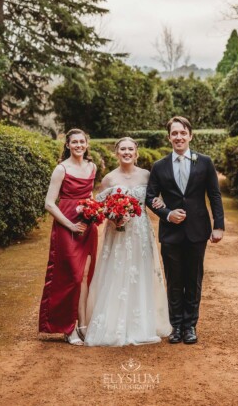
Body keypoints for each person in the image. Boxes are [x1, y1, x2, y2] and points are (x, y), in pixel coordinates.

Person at [84, 137, 171, 346]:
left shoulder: (147, 175)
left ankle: (143, 324)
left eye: (130, 149)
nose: (126, 152)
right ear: (117, 152)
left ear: (136, 152)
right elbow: (99, 208)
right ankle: (115, 325)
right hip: (118, 234)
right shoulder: (109, 179)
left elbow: (154, 199)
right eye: (122, 149)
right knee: (117, 272)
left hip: (140, 232)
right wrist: (112, 216)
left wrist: (161, 202)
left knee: (141, 272)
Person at [146, 116, 224, 345]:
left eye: (183, 133)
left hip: (197, 231)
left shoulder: (205, 162)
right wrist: (167, 213)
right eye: (174, 133)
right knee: (174, 280)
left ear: (190, 135)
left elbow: (215, 195)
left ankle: (190, 326)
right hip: (170, 233)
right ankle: (176, 326)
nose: (178, 137)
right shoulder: (159, 166)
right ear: (169, 137)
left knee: (193, 279)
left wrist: (218, 225)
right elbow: (151, 197)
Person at [39, 129, 98, 345]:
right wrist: (71, 225)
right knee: (70, 277)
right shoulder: (61, 169)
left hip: (88, 227)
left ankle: (82, 325)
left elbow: (89, 195)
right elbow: (49, 203)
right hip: (67, 227)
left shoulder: (92, 167)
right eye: (74, 142)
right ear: (68, 145)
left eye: (82, 141)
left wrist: (94, 212)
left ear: (86, 144)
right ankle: (67, 327)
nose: (79, 145)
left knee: (84, 276)